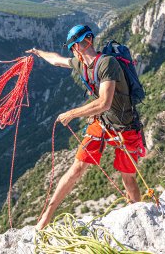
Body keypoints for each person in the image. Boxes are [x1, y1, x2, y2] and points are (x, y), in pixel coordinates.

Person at [26, 25, 146, 230]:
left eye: (76, 46)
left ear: (78, 46)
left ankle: (138, 217)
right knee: (78, 168)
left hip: (124, 126)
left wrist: (71, 113)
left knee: (127, 178)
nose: (78, 49)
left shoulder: (107, 63)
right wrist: (38, 52)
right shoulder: (82, 64)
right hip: (102, 122)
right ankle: (45, 217)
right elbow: (56, 60)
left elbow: (104, 103)